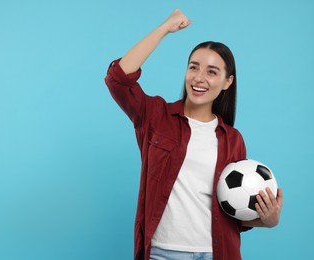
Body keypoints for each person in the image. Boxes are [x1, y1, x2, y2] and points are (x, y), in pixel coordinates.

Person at [104, 9, 283, 260]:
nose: (199, 78)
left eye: (212, 72)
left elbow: (233, 211)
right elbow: (118, 80)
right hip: (162, 253)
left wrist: (268, 220)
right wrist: (164, 28)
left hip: (216, 253)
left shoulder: (233, 139)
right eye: (193, 67)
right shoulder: (156, 116)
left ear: (227, 81)